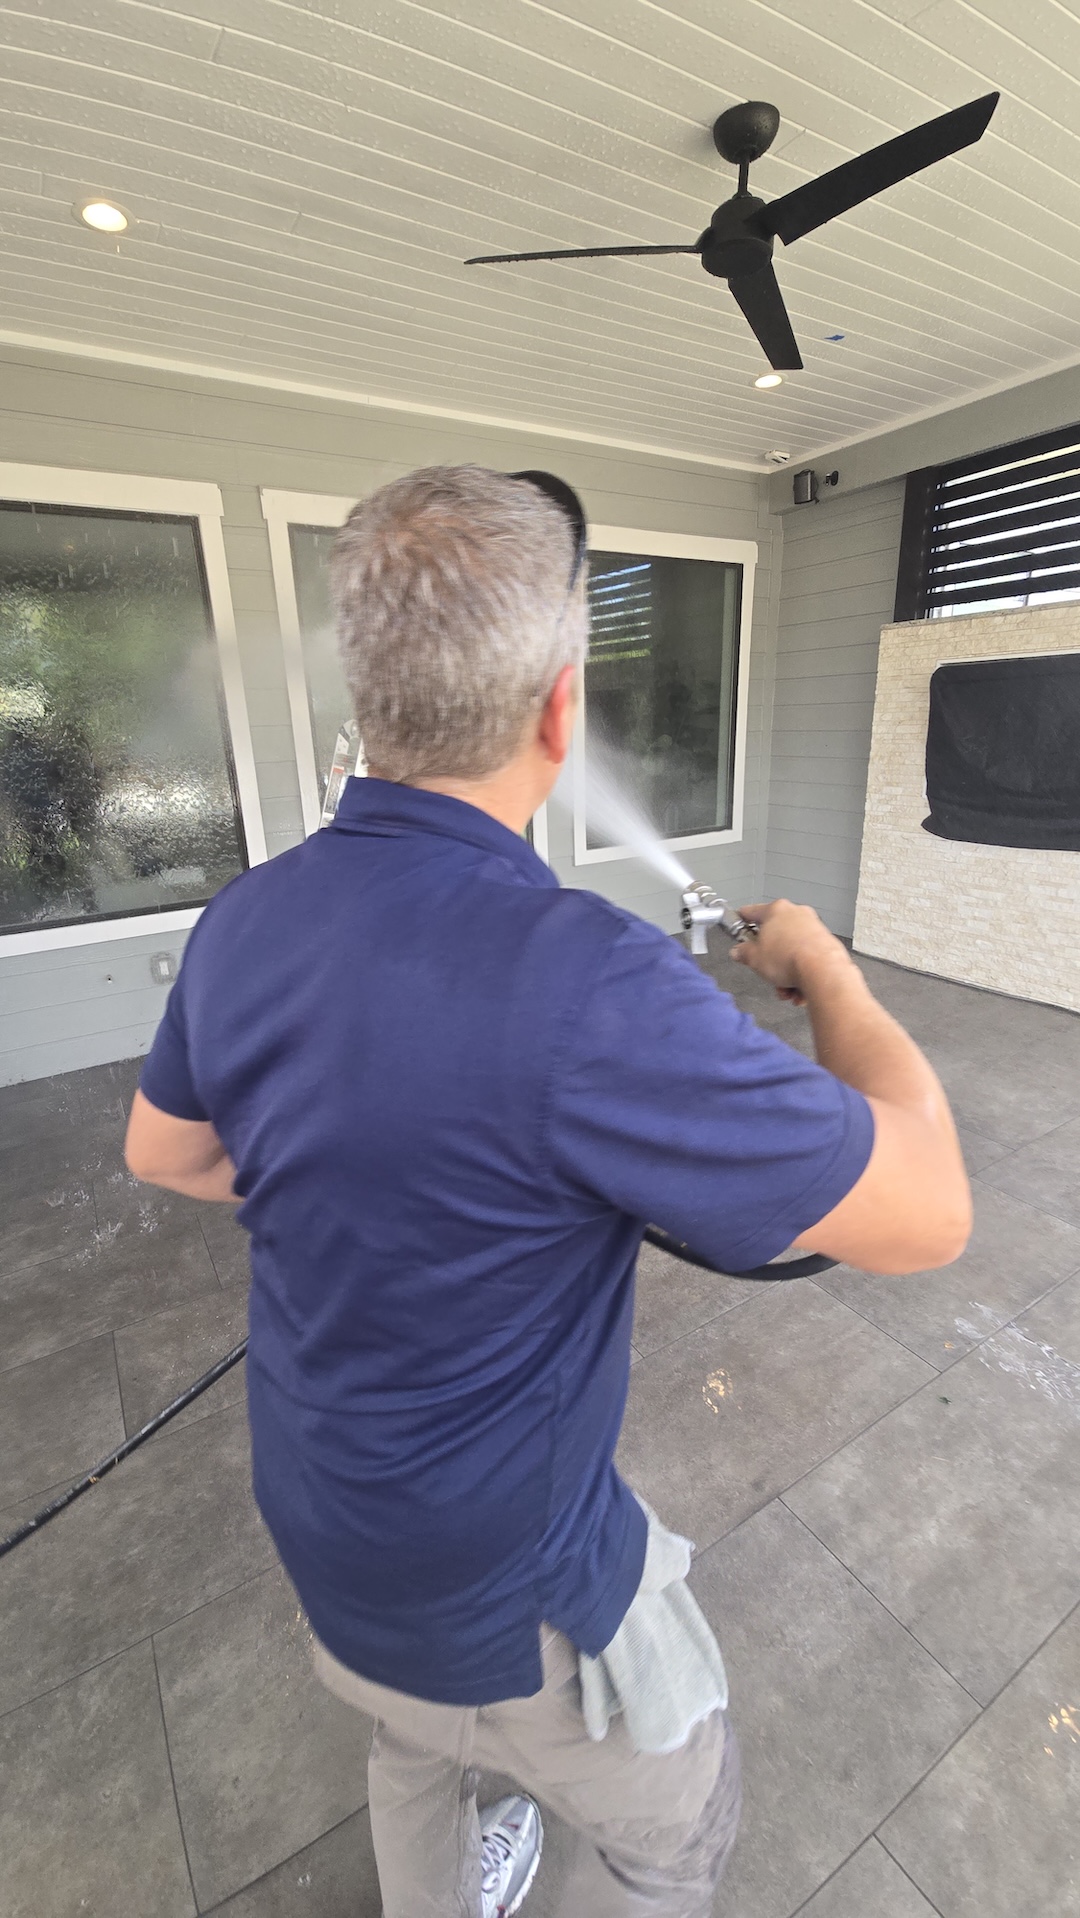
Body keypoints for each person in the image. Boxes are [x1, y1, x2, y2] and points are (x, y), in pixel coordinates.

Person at [125, 465, 970, 1918]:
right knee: (674, 1831)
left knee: (407, 1741)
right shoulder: (589, 980)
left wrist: (369, 1166)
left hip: (322, 1518)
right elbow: (927, 1208)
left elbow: (172, 1152)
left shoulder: (245, 917)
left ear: (371, 694)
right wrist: (827, 968)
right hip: (511, 1584)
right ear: (560, 708)